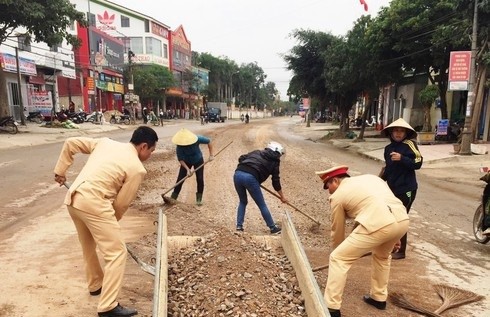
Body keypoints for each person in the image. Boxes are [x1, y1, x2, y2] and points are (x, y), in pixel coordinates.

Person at [53, 126, 158, 317]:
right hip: (94, 203)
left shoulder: (105, 143)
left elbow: (71, 143)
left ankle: (96, 285)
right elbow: (121, 204)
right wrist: (110, 224)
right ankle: (108, 306)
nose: (150, 154)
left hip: (73, 199)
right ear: (143, 146)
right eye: (151, 150)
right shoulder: (137, 168)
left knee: (88, 245)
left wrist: (61, 170)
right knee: (117, 252)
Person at [315, 166, 409, 317]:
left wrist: (338, 251)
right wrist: (395, 236)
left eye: (328, 186)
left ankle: (331, 307)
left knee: (338, 258)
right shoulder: (372, 179)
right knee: (382, 257)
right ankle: (378, 298)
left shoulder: (338, 195)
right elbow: (384, 204)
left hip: (380, 223)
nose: (328, 191)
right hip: (402, 220)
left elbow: (337, 230)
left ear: (335, 180)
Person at [380, 118, 423, 259]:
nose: (398, 133)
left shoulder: (410, 145)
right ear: (391, 133)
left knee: (401, 218)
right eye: (396, 130)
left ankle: (401, 250)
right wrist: (378, 182)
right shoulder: (388, 149)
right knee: (390, 218)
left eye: (401, 131)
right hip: (392, 190)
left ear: (406, 133)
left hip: (407, 189)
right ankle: (390, 246)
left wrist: (402, 158)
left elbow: (418, 163)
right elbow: (388, 169)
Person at [233, 141, 286, 234]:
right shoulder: (275, 162)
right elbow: (275, 181)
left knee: (242, 201)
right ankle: (273, 228)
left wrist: (248, 167)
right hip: (250, 178)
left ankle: (239, 227)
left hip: (237, 174)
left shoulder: (257, 152)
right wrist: (282, 196)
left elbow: (241, 158)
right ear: (276, 152)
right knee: (261, 204)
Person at [170, 128, 214, 206]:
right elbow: (180, 159)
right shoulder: (179, 147)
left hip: (198, 160)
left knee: (200, 179)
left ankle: (199, 198)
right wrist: (187, 169)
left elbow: (209, 141)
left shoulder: (197, 139)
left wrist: (211, 155)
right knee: (180, 179)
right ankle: (173, 197)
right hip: (186, 162)